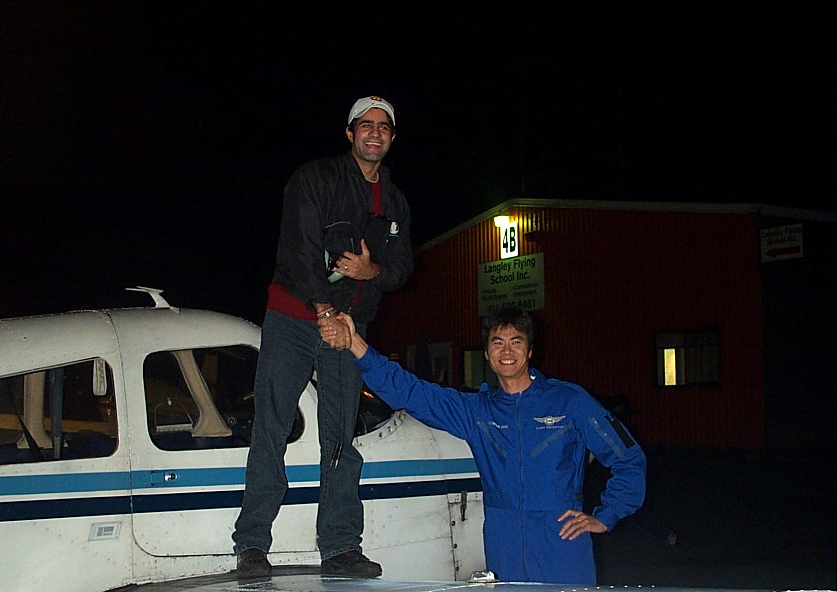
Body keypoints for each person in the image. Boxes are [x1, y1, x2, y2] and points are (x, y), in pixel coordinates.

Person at [321, 306, 646, 585]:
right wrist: (356, 344)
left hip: (561, 539)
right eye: (498, 342)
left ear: (530, 350)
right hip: (502, 540)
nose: (507, 351)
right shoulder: (477, 411)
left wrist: (607, 515)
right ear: (488, 354)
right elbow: (410, 392)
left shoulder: (569, 401)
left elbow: (628, 458)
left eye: (516, 342)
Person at [232, 96, 413, 579]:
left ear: (392, 138)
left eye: (384, 128)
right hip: (294, 318)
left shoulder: (395, 202)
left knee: (341, 435)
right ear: (350, 133)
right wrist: (325, 310)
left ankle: (338, 547)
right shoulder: (314, 179)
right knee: (271, 427)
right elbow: (299, 247)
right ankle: (251, 545)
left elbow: (400, 269)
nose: (374, 133)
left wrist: (372, 269)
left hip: (350, 330)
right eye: (365, 125)